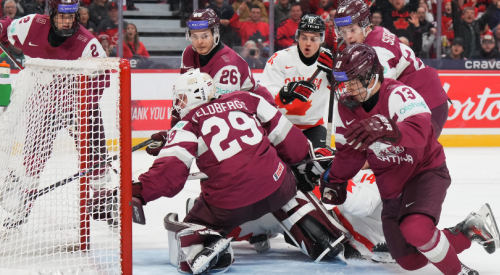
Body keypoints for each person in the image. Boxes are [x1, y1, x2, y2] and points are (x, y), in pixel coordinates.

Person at [135, 69, 343, 274]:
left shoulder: (187, 125)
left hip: (229, 205)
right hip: (277, 187)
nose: (177, 105)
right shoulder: (247, 99)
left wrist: (139, 192)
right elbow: (289, 139)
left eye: (181, 99)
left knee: (194, 223)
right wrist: (304, 163)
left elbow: (169, 175)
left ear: (197, 95)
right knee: (289, 182)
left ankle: (207, 242)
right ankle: (319, 230)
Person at [326, 42, 500, 275]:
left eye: (351, 81)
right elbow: (349, 151)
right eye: (342, 83)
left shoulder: (398, 93)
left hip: (424, 171)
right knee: (410, 259)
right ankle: (468, 230)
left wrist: (388, 127)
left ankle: (459, 272)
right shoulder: (346, 107)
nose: (345, 89)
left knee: (416, 228)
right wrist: (336, 180)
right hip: (391, 185)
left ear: (369, 76)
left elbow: (420, 130)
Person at [0, 0, 109, 212]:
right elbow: (6, 29)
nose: (68, 22)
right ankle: (25, 201)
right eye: (62, 16)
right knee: (33, 157)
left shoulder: (88, 44)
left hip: (79, 105)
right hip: (43, 105)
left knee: (95, 150)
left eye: (72, 16)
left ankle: (101, 196)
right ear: (51, 14)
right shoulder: (30, 25)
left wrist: (80, 106)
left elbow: (101, 81)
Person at [145, 8, 274, 156]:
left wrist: (178, 136)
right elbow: (184, 97)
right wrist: (173, 133)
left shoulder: (228, 64)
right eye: (194, 36)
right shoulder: (188, 53)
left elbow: (218, 114)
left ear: (215, 33)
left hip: (262, 117)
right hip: (236, 118)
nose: (199, 41)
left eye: (205, 35)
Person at [334, 0, 449, 138]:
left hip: (426, 104)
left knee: (407, 156)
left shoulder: (377, 50)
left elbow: (381, 93)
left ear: (365, 25)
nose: (348, 37)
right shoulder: (375, 31)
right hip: (420, 101)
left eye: (352, 29)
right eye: (343, 32)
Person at [261, 14, 334, 149]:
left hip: (313, 127)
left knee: (320, 164)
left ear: (321, 39)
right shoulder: (280, 59)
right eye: (304, 38)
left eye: (314, 39)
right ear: (297, 36)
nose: (308, 43)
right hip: (281, 126)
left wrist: (337, 78)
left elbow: (346, 95)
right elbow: (263, 94)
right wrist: (284, 92)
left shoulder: (330, 62)